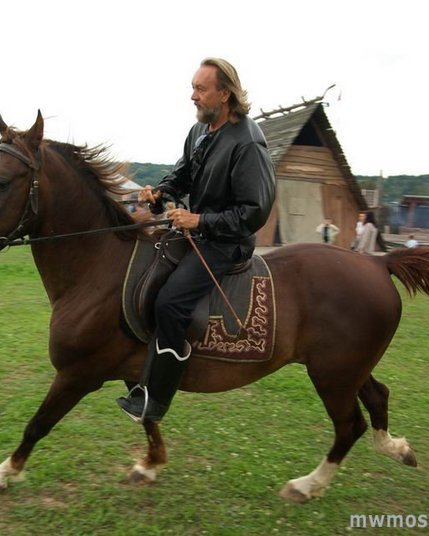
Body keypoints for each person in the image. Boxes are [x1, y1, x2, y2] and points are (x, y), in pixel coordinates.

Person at [115, 57, 276, 423]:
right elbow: (182, 175)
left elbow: (254, 212)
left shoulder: (248, 144)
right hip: (197, 231)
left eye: (200, 89)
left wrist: (199, 219)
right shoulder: (199, 132)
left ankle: (155, 400)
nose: (192, 96)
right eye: (193, 88)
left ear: (225, 93)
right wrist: (158, 194)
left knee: (170, 303)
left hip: (227, 242)